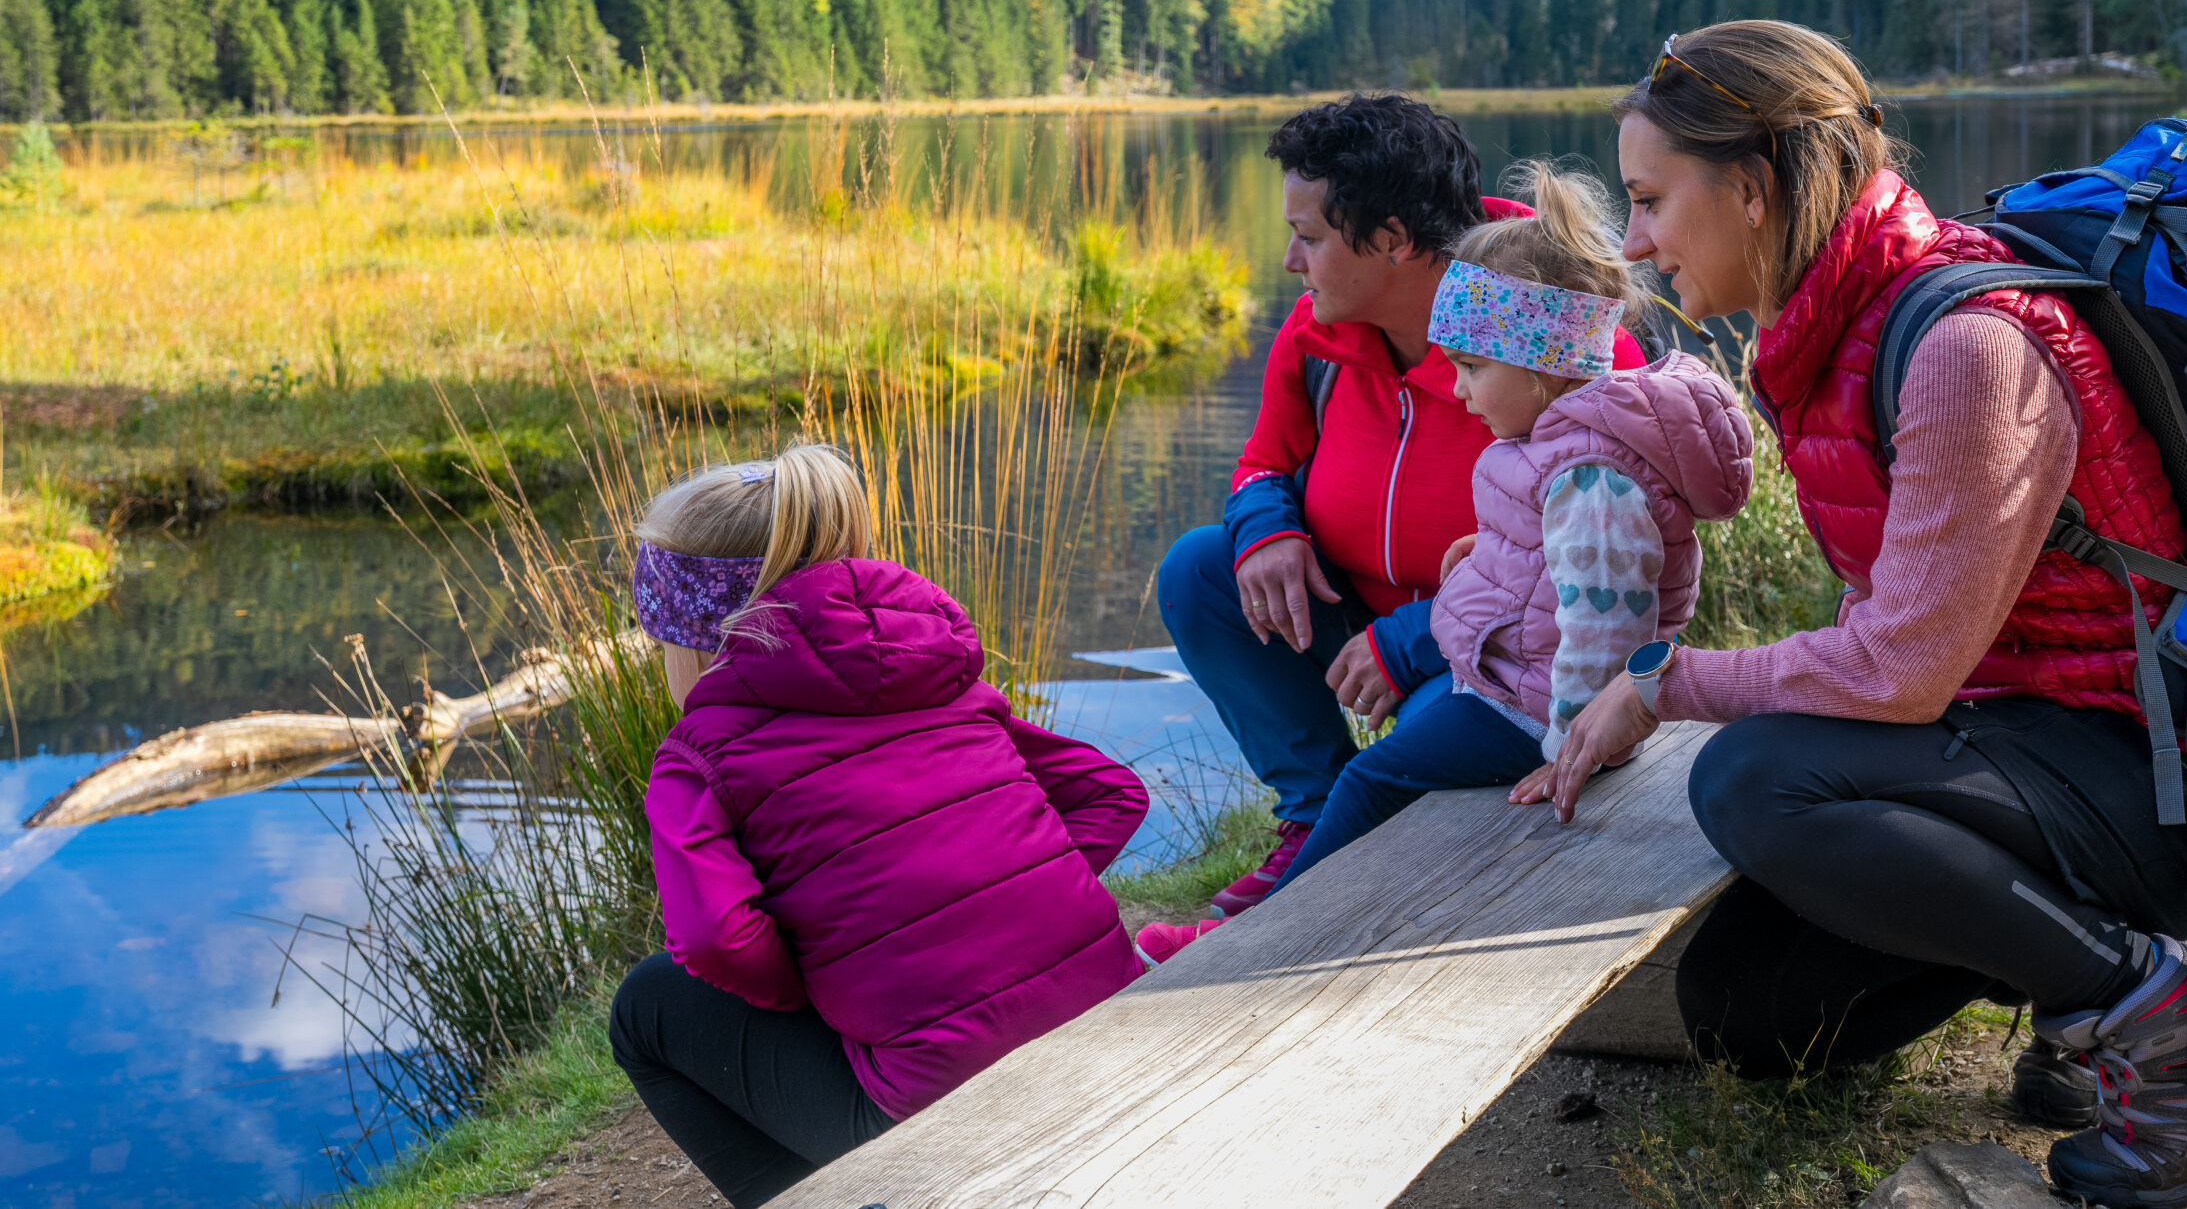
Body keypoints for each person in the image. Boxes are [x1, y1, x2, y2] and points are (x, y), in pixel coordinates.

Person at [1517, 22, 2187, 1209]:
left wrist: (1661, 677)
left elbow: (1898, 673)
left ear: (1753, 185)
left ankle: (2153, 1009)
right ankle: (2081, 992)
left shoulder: (1960, 344)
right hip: (2012, 748)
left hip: (2154, 777)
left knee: (1753, 779)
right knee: (1745, 1010)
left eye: (1647, 200)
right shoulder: (1832, 332)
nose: (1631, 241)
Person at [1139, 163, 1752, 962]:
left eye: (1470, 369)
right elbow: (1549, 568)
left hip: (1533, 709)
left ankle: (1256, 945)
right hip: (1511, 676)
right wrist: (1491, 554)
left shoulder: (1588, 475)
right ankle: (1301, 879)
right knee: (1381, 777)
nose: (1458, 392)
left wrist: (1575, 746)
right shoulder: (1551, 439)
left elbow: (1609, 627)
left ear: (1538, 366)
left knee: (1374, 784)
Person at [608, 445, 1148, 1209]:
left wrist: (829, 972)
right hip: (1102, 1037)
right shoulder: (947, 682)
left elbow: (712, 940)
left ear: (689, 637)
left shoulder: (699, 756)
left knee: (647, 1005)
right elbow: (1111, 794)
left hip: (940, 1124)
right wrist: (1018, 880)